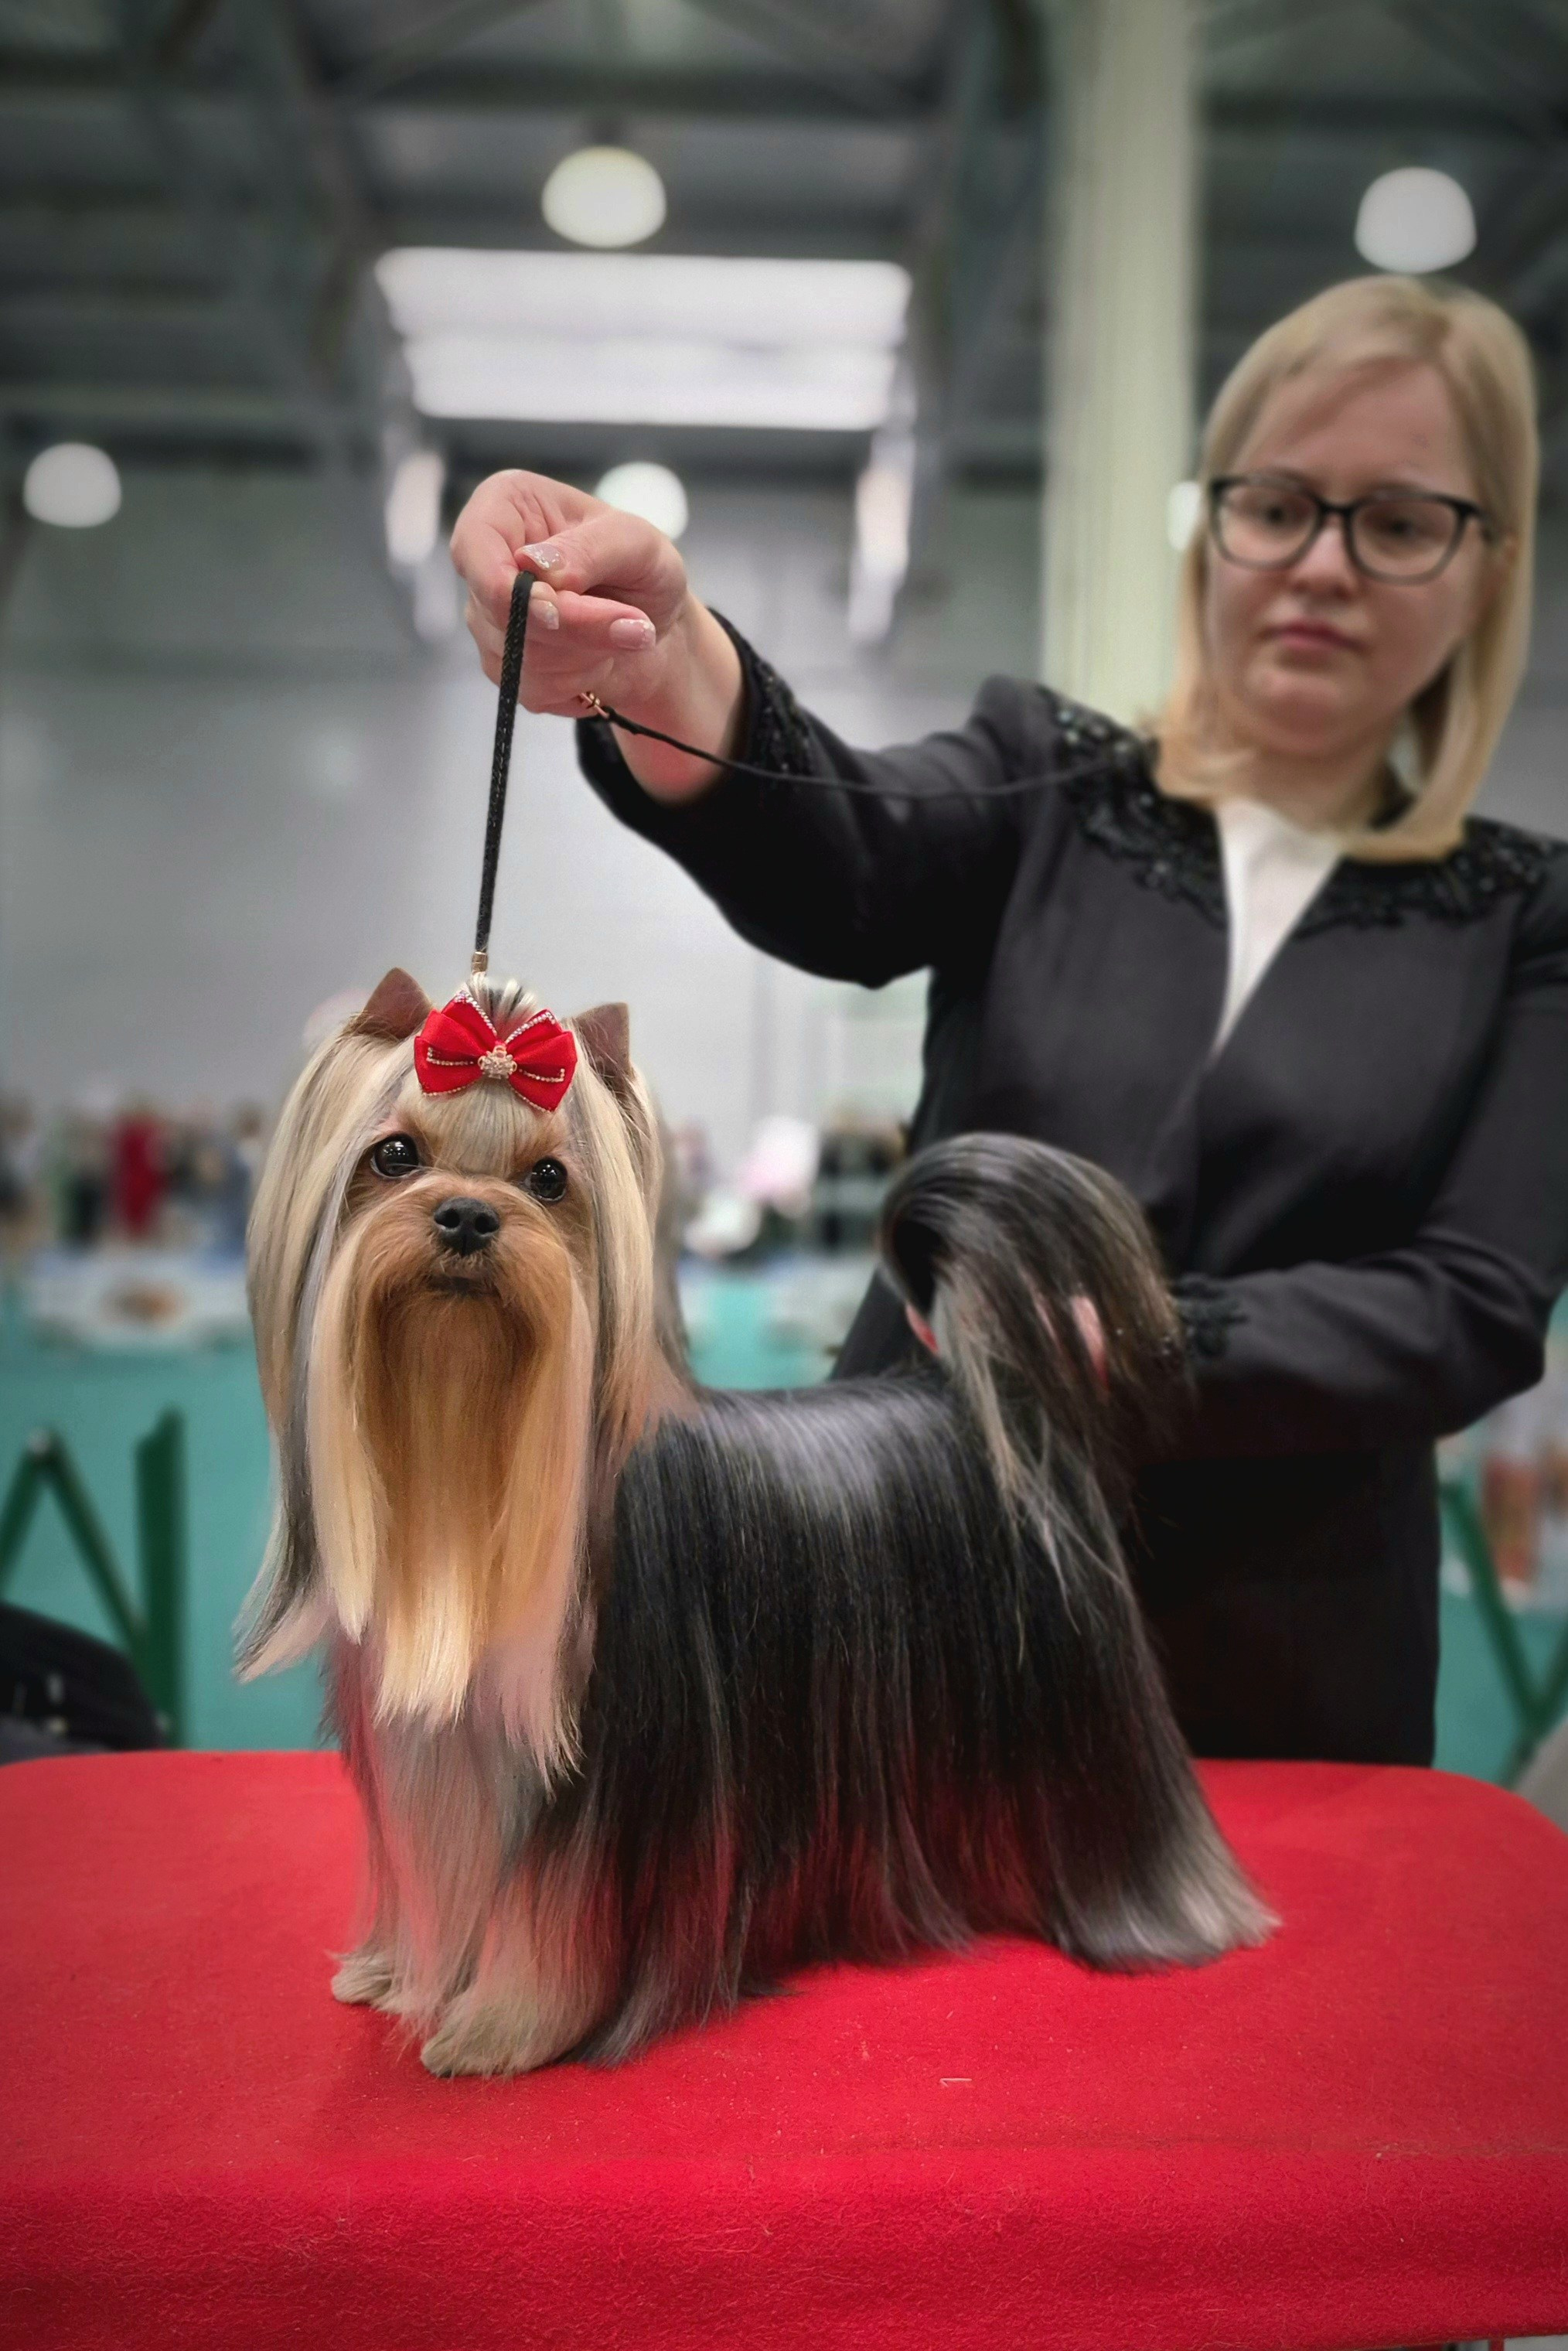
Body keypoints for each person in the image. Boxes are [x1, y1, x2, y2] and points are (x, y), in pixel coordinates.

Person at [448, 274, 1568, 1769]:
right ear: (1214, 521)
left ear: (1489, 568)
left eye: (1402, 521)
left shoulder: (1528, 920)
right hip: (894, 1630)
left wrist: (1138, 1345)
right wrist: (668, 654)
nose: (1322, 564)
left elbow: (1470, 1308)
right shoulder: (1047, 779)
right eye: (1278, 504)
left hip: (1269, 1695)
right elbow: (842, 855)